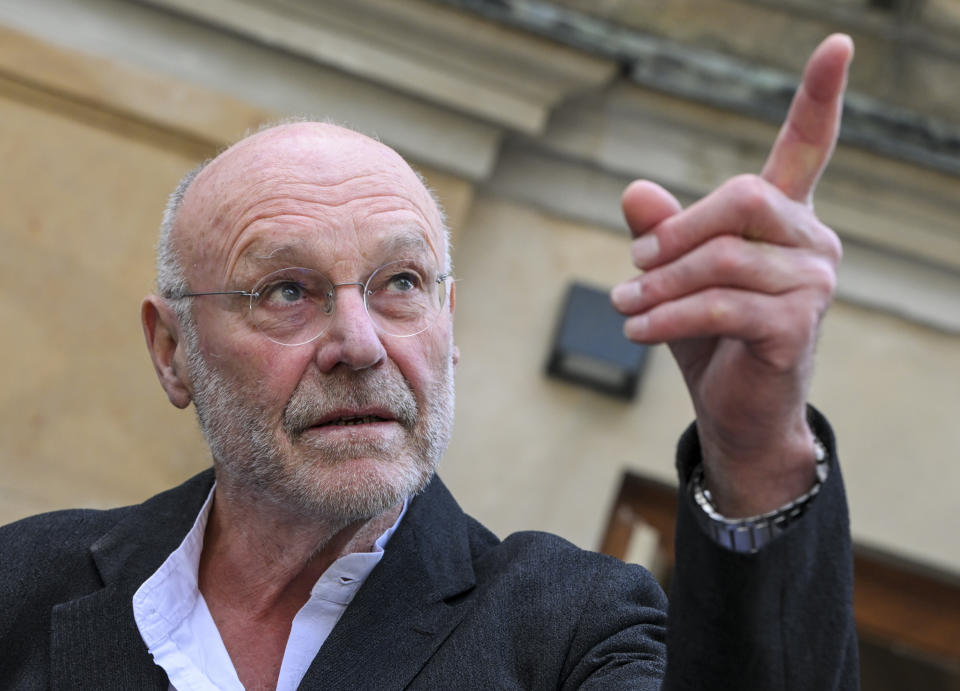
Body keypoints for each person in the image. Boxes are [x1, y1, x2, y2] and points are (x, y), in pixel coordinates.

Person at [0, 35, 858, 690]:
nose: (360, 343)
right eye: (287, 291)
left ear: (449, 320)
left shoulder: (569, 632)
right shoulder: (24, 586)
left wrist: (753, 448)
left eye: (400, 282)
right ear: (171, 351)